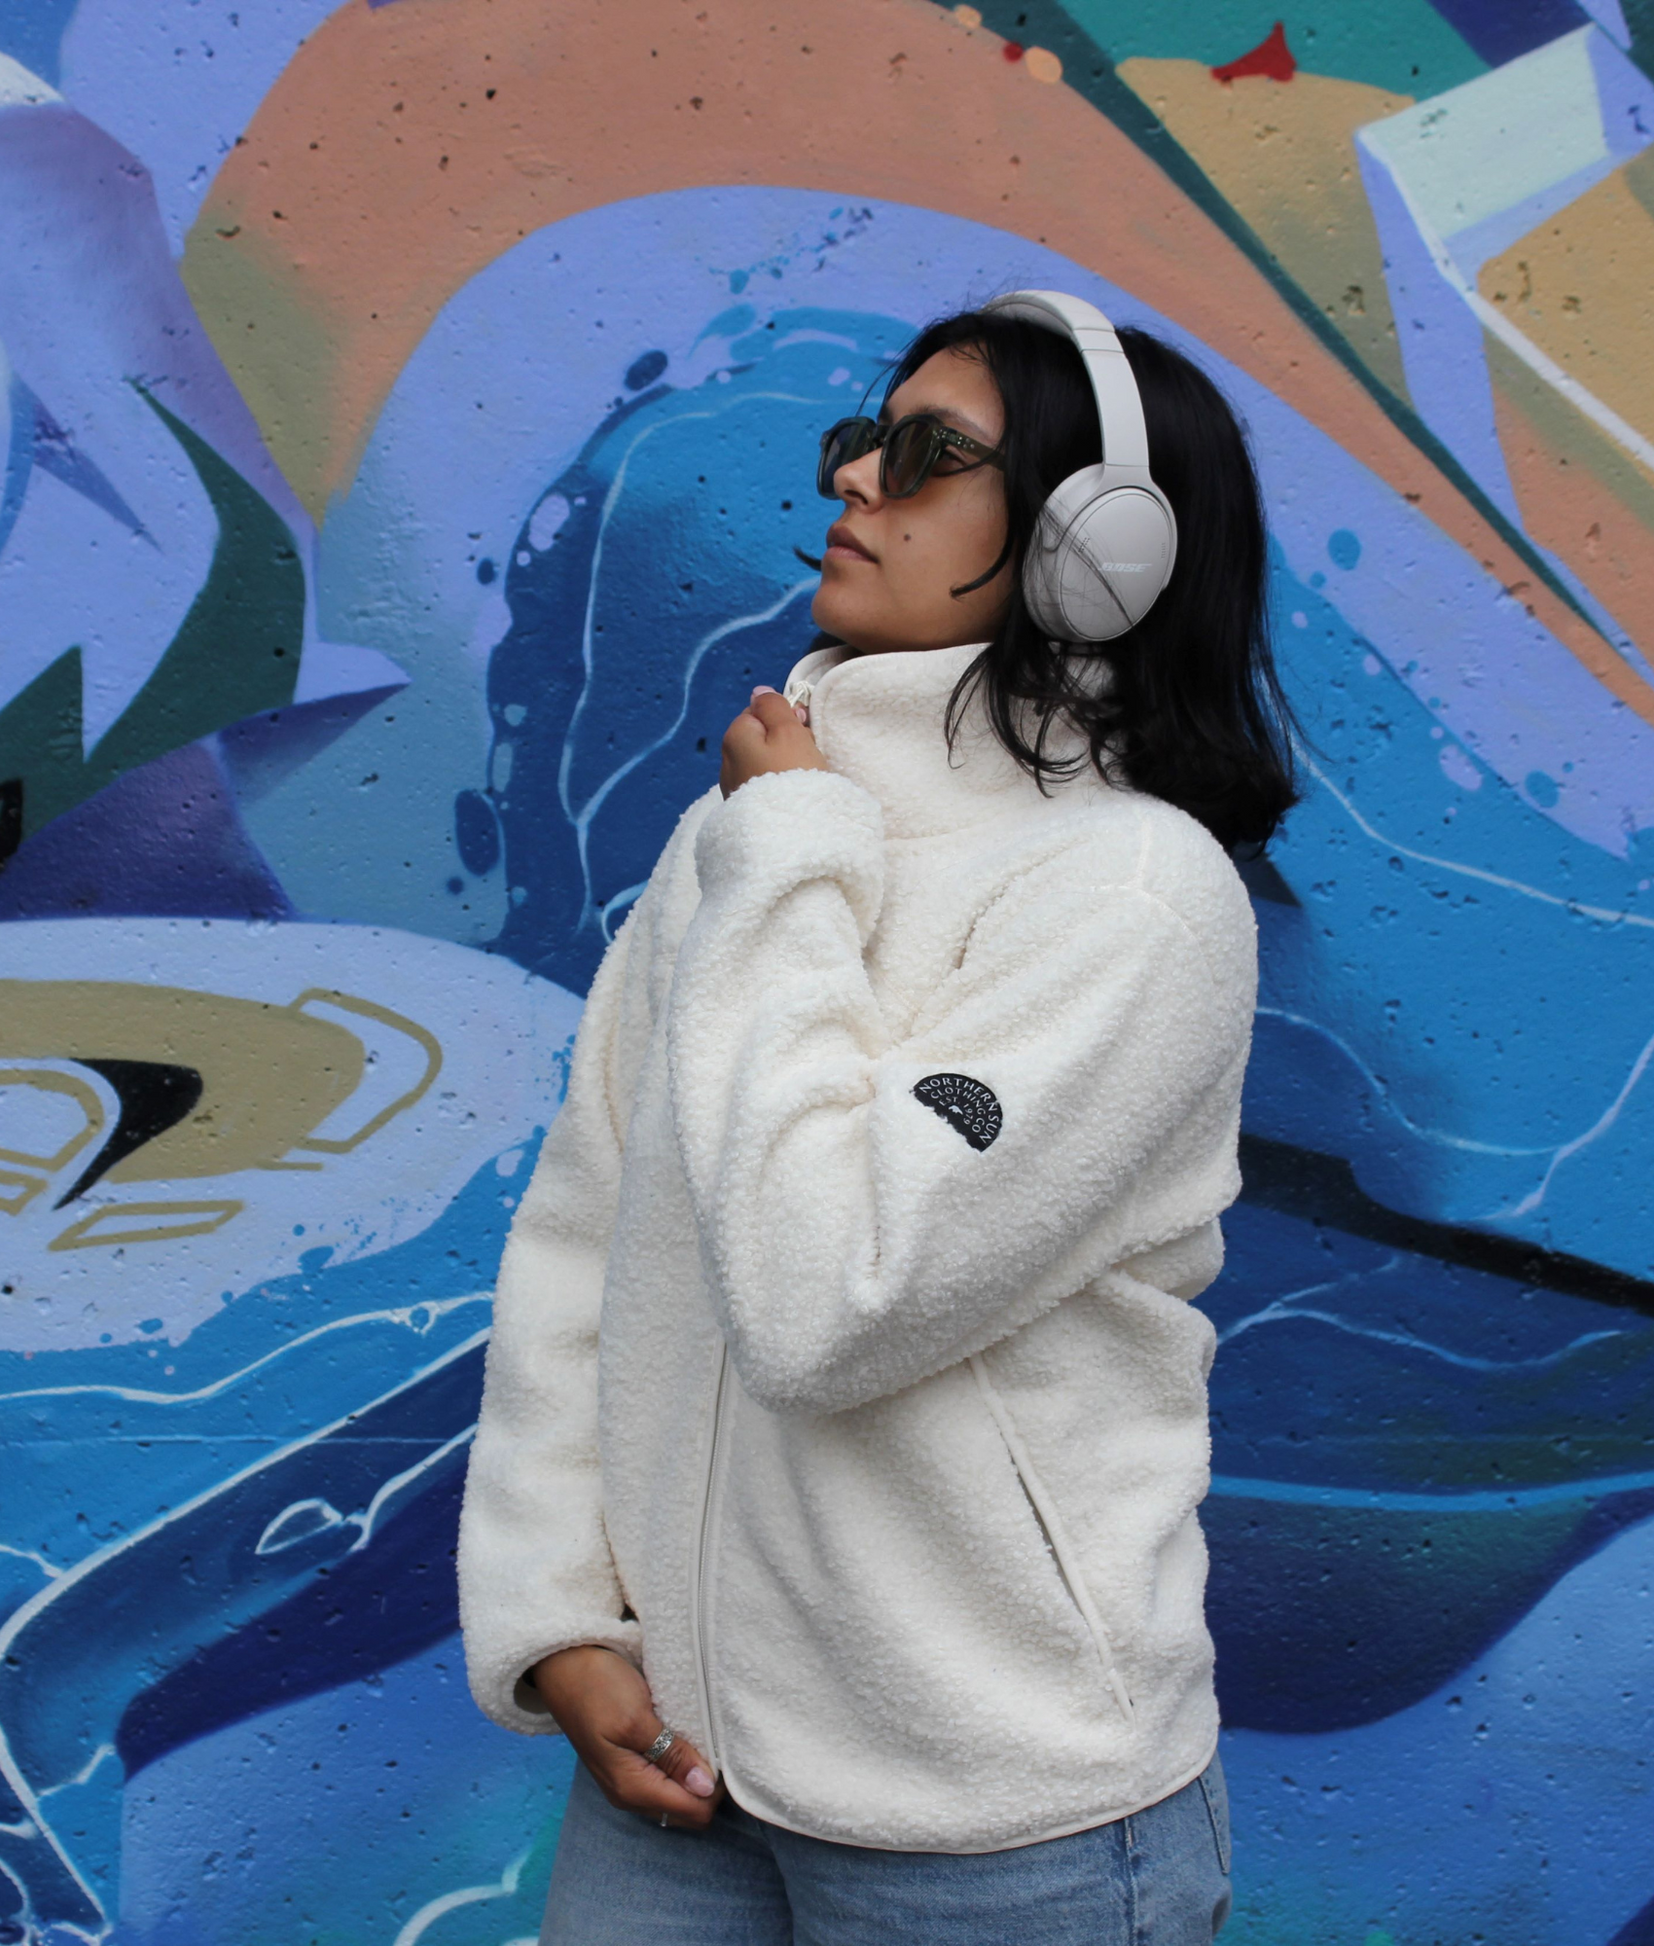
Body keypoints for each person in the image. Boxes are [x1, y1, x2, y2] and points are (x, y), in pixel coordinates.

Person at [456, 290, 1298, 1943]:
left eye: (927, 455)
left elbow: (830, 1296)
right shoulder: (749, 839)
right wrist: (556, 1619)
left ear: (1096, 545)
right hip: (675, 1764)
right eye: (862, 439)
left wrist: (786, 852)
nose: (853, 479)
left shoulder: (1127, 893)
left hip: (996, 1821)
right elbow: (586, 1239)